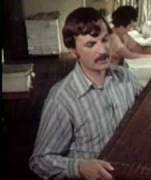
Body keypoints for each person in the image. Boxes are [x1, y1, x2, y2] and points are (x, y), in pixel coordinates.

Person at [29, 7, 143, 180]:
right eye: (91, 44)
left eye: (105, 40)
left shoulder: (125, 77)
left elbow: (148, 115)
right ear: (73, 51)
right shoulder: (61, 98)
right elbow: (40, 161)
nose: (103, 50)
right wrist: (79, 167)